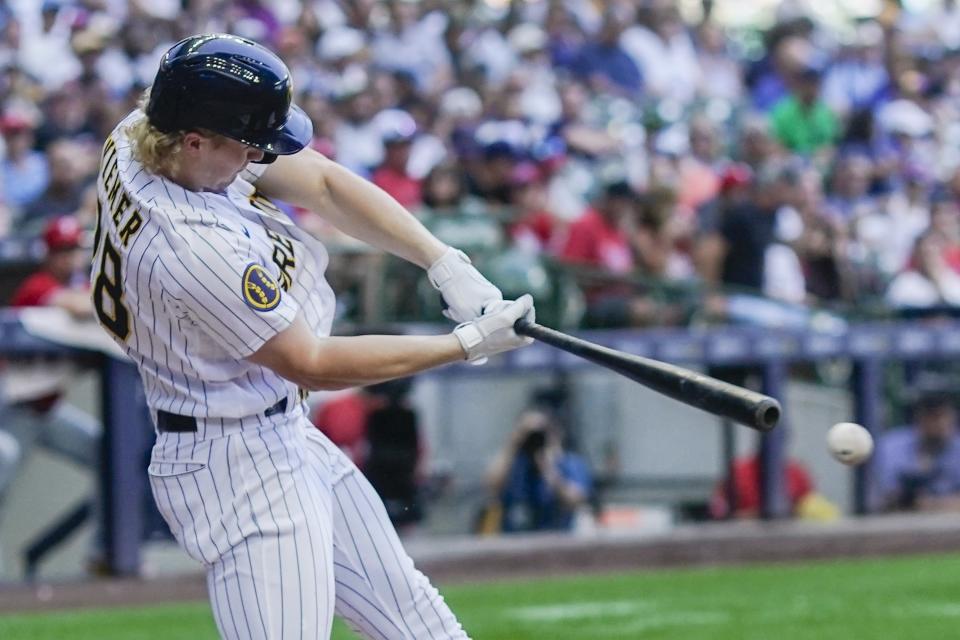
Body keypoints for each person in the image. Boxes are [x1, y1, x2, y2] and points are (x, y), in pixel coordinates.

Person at [92, 34, 534, 640]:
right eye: (246, 146)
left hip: (275, 430)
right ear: (195, 140)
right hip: (234, 462)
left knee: (418, 622)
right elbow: (313, 362)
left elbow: (321, 182)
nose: (257, 159)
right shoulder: (189, 246)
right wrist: (466, 344)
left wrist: (441, 260)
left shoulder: (146, 133)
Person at [1, 215, 103, 568]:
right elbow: (77, 306)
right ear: (47, 253)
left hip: (48, 411)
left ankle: (103, 552)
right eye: (61, 250)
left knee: (109, 455)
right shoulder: (37, 285)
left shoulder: (81, 283)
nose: (68, 257)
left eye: (73, 249)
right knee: (3, 460)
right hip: (12, 408)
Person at [484, 408, 592, 533]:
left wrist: (549, 467)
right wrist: (513, 444)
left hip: (555, 545)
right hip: (515, 545)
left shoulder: (569, 463)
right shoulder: (513, 465)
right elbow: (491, 487)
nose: (534, 439)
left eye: (540, 433)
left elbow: (576, 500)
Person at [872, 377, 960, 512]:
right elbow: (878, 500)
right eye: (929, 411)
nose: (937, 420)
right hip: (898, 527)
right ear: (917, 414)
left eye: (942, 412)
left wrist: (930, 504)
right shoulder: (891, 446)